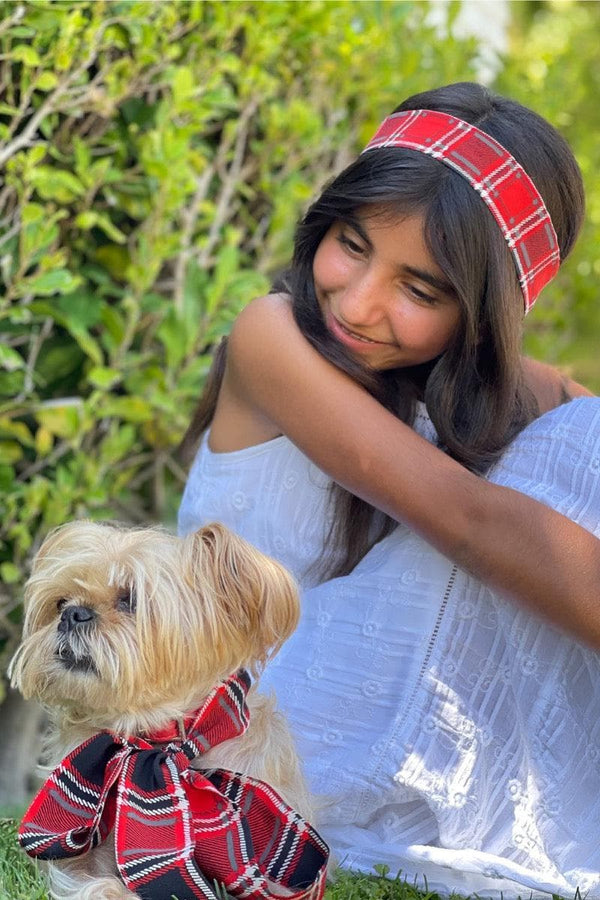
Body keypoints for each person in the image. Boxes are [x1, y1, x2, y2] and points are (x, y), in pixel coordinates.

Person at [177, 83, 600, 899]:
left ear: (483, 313)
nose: (360, 302)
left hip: (323, 720)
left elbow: (567, 401)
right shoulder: (271, 335)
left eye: (421, 291)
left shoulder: (470, 387)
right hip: (241, 723)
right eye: (352, 244)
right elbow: (471, 524)